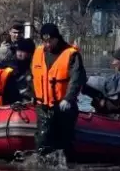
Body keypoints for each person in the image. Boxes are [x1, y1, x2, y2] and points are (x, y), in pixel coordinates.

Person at [30, 23, 86, 157]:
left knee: (64, 142)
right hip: (43, 106)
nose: (47, 44)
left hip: (63, 106)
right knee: (42, 141)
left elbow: (77, 78)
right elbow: (33, 76)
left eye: (50, 41)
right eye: (44, 41)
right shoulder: (38, 52)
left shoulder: (71, 54)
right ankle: (42, 170)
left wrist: (68, 99)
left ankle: (66, 170)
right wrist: (32, 94)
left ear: (57, 38)